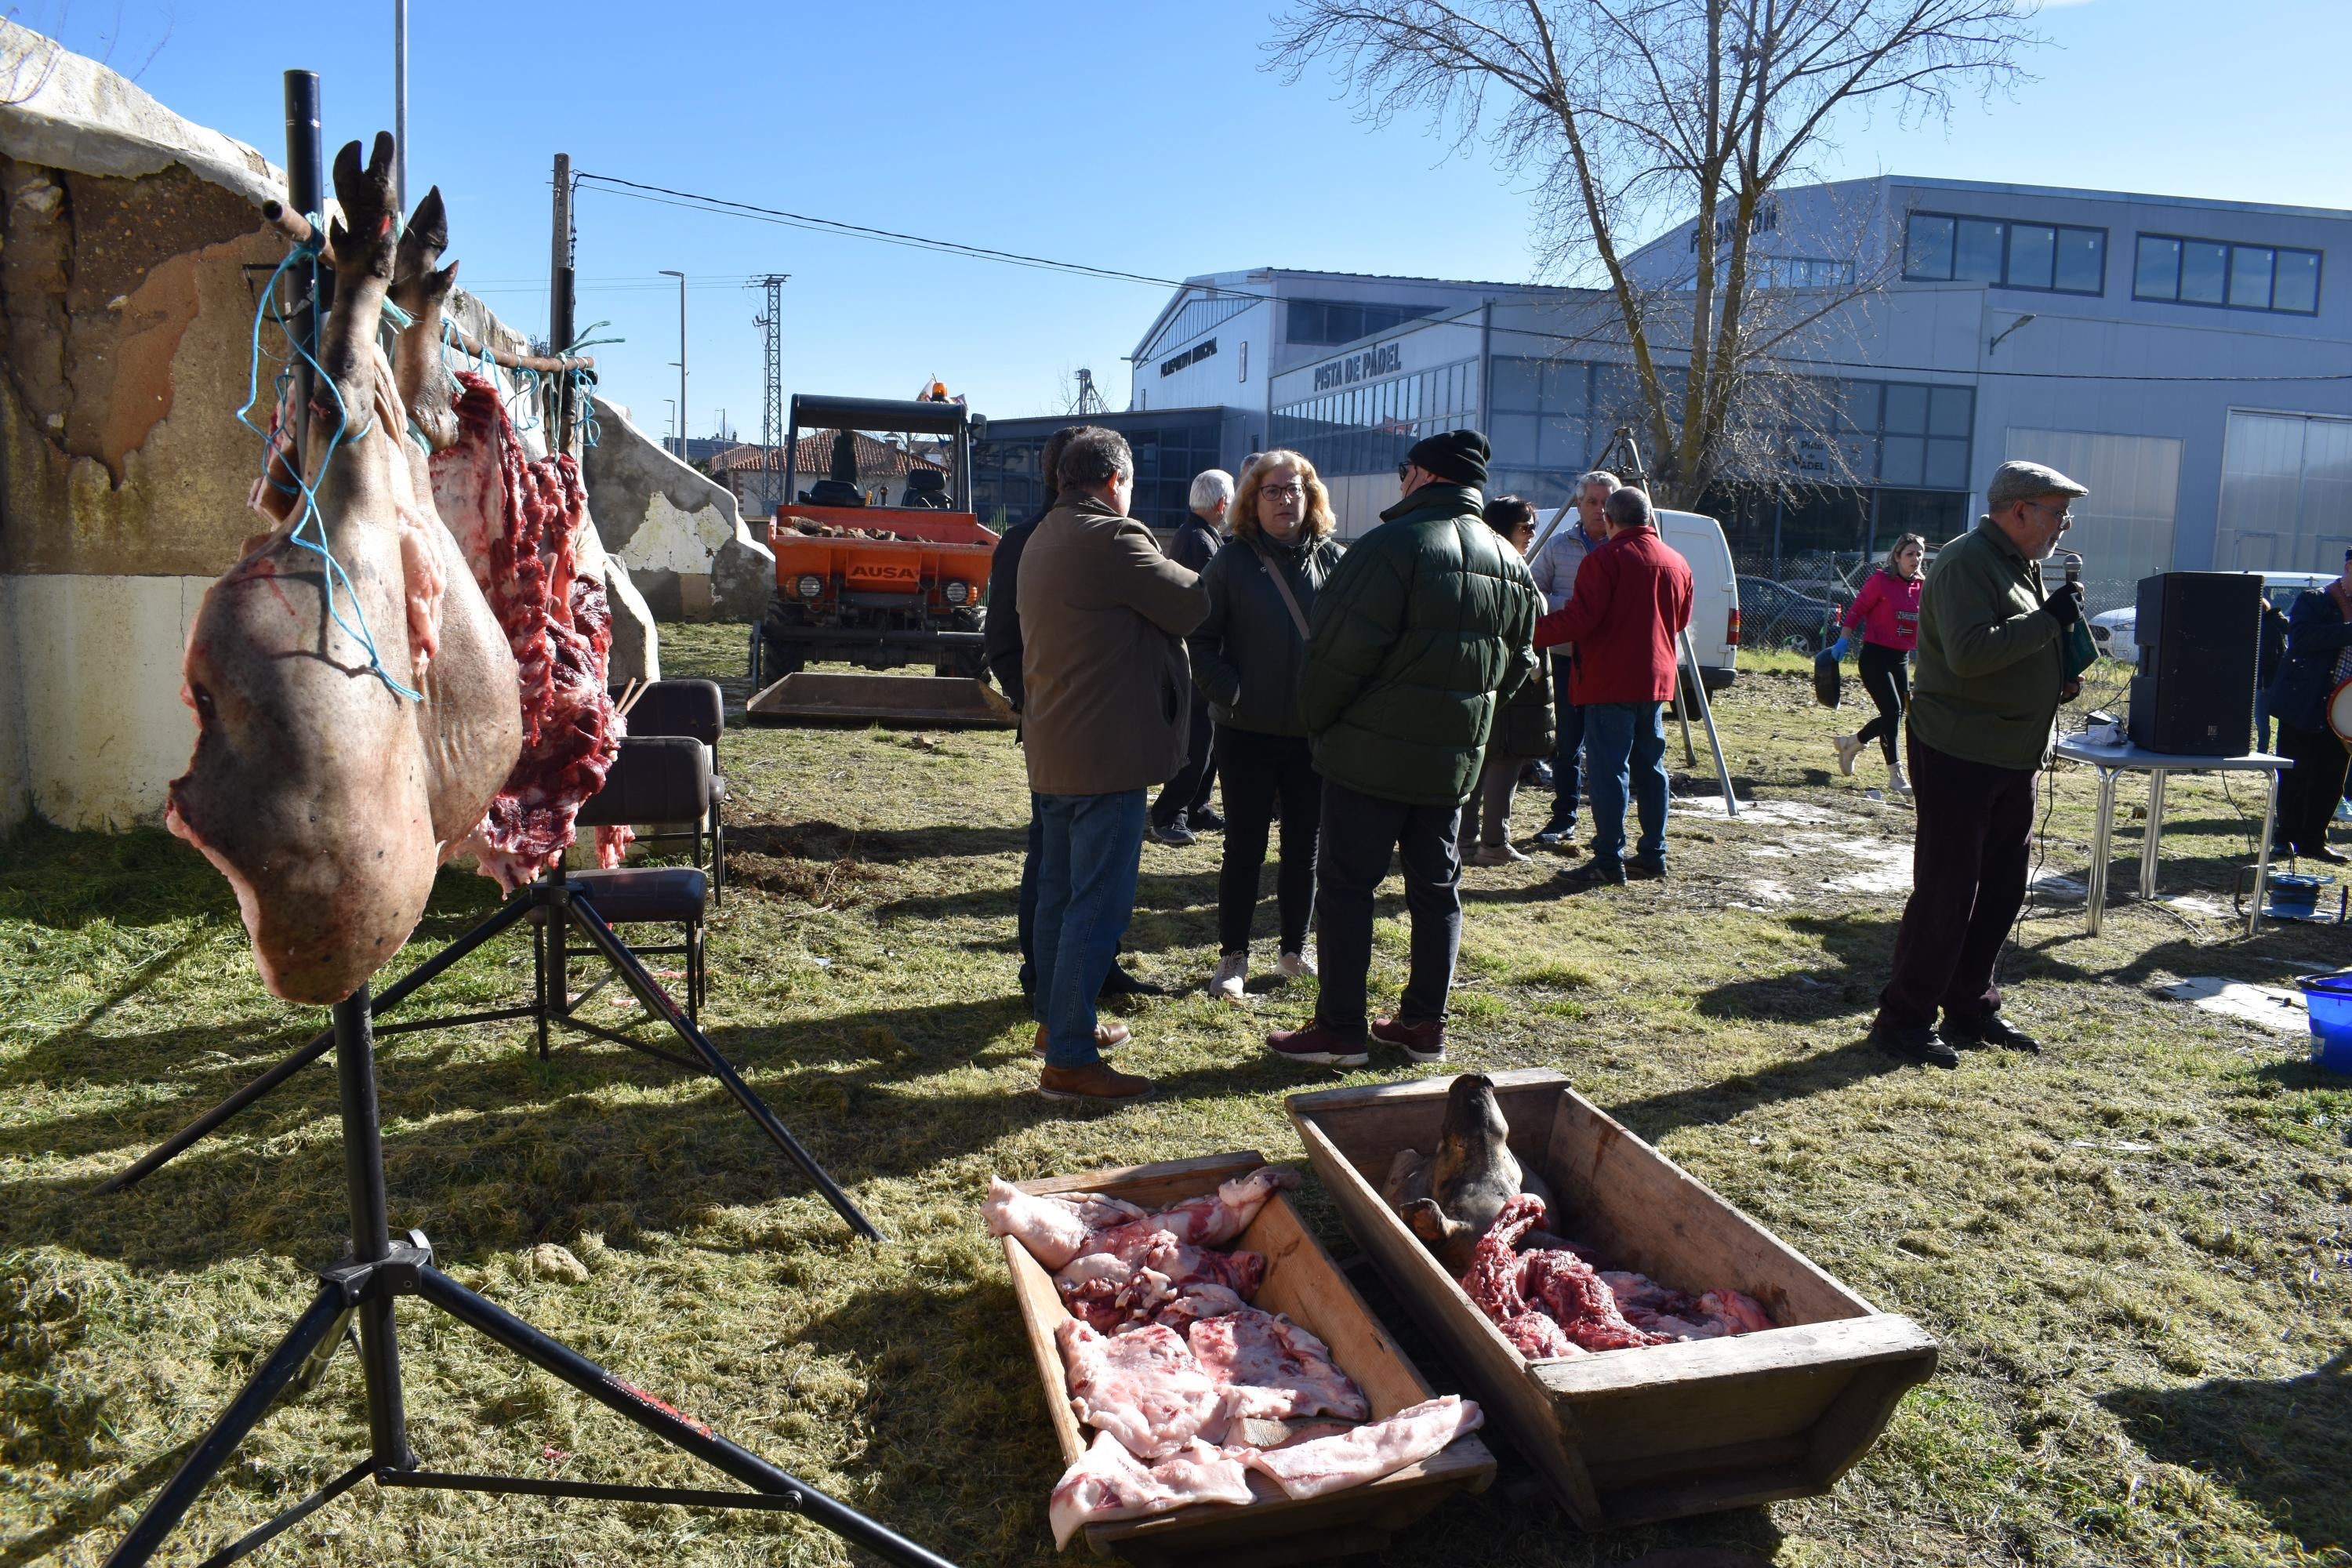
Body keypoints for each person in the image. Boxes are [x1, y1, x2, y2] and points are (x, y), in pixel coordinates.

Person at [1266, 430, 1539, 1068]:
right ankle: (1423, 1025)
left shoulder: (1391, 546)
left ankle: (1340, 1029)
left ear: (1420, 475)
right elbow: (1522, 660)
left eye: (1402, 469)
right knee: (1437, 887)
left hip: (1370, 756)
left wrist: (1317, 722)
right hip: (1451, 761)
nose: (1398, 480)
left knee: (1347, 886)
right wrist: (1466, 708)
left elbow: (1337, 654)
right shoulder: (1509, 558)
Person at [1866, 459, 2089, 1069]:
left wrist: (2055, 670)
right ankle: (1904, 1019)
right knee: (1947, 892)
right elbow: (1969, 654)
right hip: (1960, 751)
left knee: (2000, 891)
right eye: (2056, 511)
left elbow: (2014, 645)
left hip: (2010, 753)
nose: (2064, 524)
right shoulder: (1969, 561)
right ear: (2019, 510)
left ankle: (1970, 1004)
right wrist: (2050, 623)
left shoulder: (2020, 564)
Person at [1018, 428, 1211, 1102]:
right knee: (1095, 908)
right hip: (1105, 756)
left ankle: (1055, 1024)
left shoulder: (1045, 534)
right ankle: (1068, 1059)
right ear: (1114, 481)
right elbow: (1191, 602)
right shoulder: (1113, 538)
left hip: (1056, 746)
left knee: (1058, 897)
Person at [984, 428, 1163, 1008]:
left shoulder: (1057, 535)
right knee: (1061, 871)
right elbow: (1004, 644)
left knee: (1077, 873)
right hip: (1063, 729)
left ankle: (1084, 980)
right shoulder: (1029, 540)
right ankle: (1048, 986)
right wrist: (1037, 701)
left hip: (1078, 728)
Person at [1189, 452, 1346, 1002]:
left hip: (1312, 734)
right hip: (1245, 731)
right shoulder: (1231, 563)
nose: (1286, 500)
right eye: (1274, 491)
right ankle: (1233, 958)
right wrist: (1232, 691)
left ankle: (1294, 950)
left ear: (1312, 497)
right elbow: (1200, 639)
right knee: (1245, 847)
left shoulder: (1336, 561)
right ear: (1253, 502)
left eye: (1296, 489)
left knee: (1305, 847)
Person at [1537, 485, 1693, 887]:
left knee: (1609, 771)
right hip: (1655, 679)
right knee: (1651, 768)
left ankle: (1609, 857)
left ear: (1609, 518)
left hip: (1608, 679)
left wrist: (1528, 632)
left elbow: (1579, 620)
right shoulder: (1677, 561)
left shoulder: (1604, 559)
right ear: (1649, 518)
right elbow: (1679, 620)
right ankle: (1653, 854)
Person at [1461, 496, 1555, 864]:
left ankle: (1465, 840)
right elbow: (1528, 621)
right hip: (1515, 679)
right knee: (1504, 760)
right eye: (1525, 526)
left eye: (1533, 525)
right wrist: (1529, 670)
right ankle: (1493, 844)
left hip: (1490, 676)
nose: (1532, 532)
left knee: (1481, 759)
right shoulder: (1509, 566)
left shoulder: (1480, 561)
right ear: (1503, 528)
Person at [1149, 470, 1233, 846]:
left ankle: (1196, 807)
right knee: (1196, 743)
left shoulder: (1194, 535)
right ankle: (1170, 813)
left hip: (1194, 654)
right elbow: (1206, 605)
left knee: (1207, 741)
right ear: (1221, 505)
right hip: (1197, 657)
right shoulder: (1201, 543)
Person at [1529, 472, 1613, 847]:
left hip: (1610, 662)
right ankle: (1564, 816)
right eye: (1592, 501)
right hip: (1565, 658)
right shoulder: (1558, 547)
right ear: (1578, 504)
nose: (1600, 509)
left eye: (1607, 502)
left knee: (1608, 746)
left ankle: (1609, 827)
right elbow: (1534, 595)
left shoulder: (1623, 548)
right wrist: (1578, 611)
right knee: (1566, 743)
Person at [2264, 549, 2352, 865]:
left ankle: (2314, 840)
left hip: (2344, 713)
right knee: (2296, 774)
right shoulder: (2314, 600)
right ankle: (2284, 838)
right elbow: (2302, 638)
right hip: (2305, 702)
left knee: (2331, 780)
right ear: (2347, 568)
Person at [1829, 533, 1927, 797]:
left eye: (1919, 554)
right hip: (1875, 656)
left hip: (1901, 659)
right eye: (1910, 554)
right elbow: (1857, 609)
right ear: (1897, 556)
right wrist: (1843, 640)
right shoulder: (1881, 581)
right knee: (1893, 712)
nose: (1916, 559)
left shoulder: (1922, 586)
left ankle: (1853, 743)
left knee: (1896, 714)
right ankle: (1896, 775)